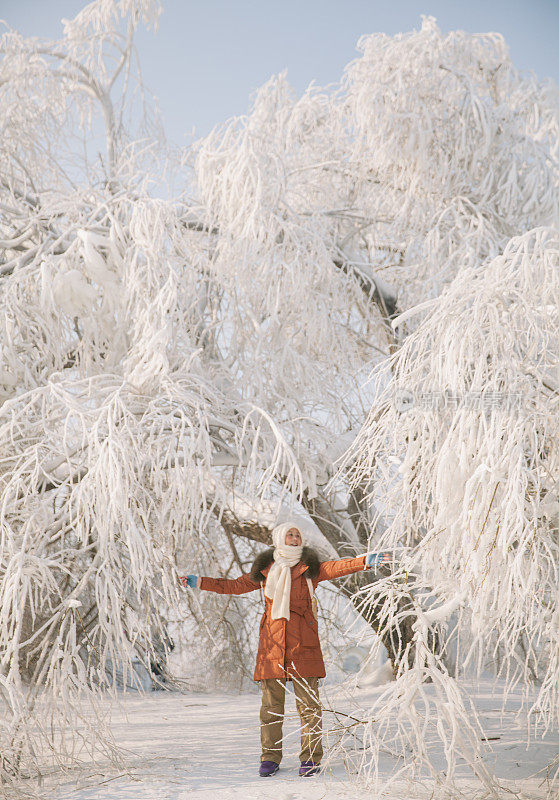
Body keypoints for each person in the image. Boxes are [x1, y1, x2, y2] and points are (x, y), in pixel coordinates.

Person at [179, 521, 381, 778]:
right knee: (271, 708)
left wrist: (364, 561)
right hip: (271, 647)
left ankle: (310, 759)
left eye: (297, 534)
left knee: (309, 707)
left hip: (303, 646)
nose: (295, 538)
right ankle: (270, 758)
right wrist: (200, 582)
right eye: (290, 534)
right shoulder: (265, 570)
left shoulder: (310, 568)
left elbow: (337, 567)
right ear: (279, 538)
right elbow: (234, 586)